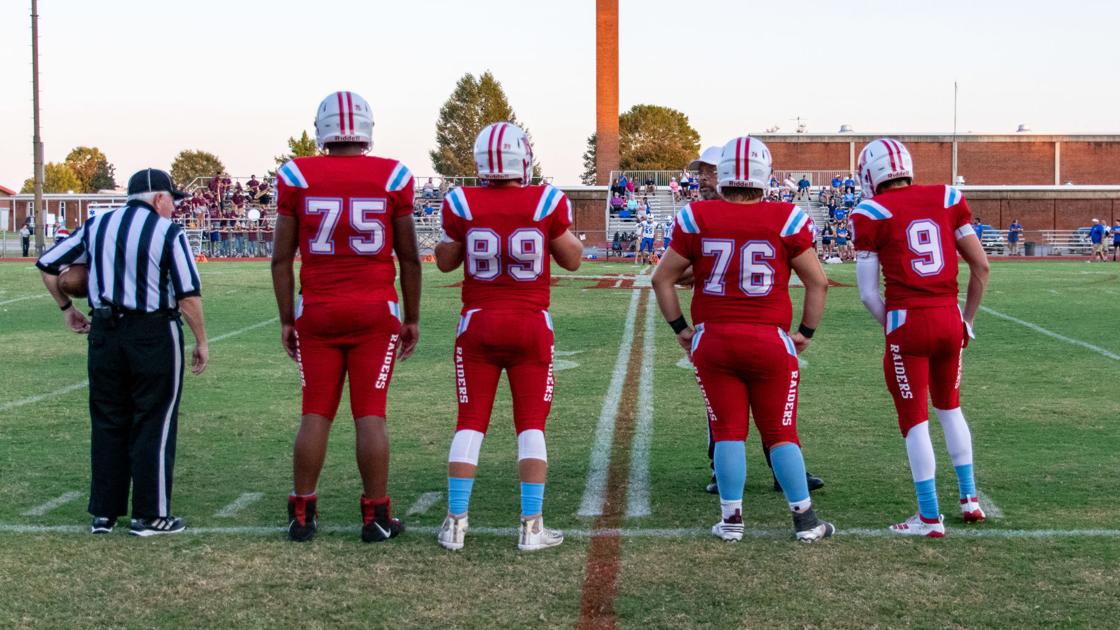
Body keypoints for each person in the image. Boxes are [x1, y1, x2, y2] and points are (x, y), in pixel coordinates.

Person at [652, 137, 834, 543]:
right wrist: (804, 333)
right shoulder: (786, 218)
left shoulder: (697, 216)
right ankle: (805, 521)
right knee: (781, 433)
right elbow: (817, 282)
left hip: (714, 341)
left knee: (727, 431)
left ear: (724, 175)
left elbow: (662, 278)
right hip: (770, 339)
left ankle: (731, 521)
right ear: (765, 175)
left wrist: (681, 329)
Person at [271, 91, 421, 543]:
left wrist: (286, 319)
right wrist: (412, 317)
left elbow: (281, 259)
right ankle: (376, 516)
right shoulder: (392, 175)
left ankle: (302, 513)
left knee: (315, 413)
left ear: (322, 130)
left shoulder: (297, 175)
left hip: (318, 309)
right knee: (370, 414)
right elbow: (410, 258)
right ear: (367, 128)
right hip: (375, 310)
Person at [434, 122, 583, 551]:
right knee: (531, 425)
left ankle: (455, 523)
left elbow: (444, 261)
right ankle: (531, 526)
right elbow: (573, 259)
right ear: (524, 160)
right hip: (530, 324)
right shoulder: (546, 201)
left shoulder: (461, 202)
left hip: (477, 324)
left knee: (470, 422)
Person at [36, 168, 209, 536]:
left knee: (108, 419)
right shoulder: (168, 232)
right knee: (154, 420)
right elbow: (188, 294)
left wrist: (67, 309)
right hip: (152, 332)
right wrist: (201, 340)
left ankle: (104, 513)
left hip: (104, 333)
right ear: (159, 198)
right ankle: (150, 515)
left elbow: (48, 265)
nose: (174, 208)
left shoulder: (97, 225)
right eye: (172, 200)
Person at [851, 138, 990, 538]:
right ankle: (969, 499)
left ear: (872, 174)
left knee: (915, 421)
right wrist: (967, 319)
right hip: (949, 317)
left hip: (907, 320)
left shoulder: (870, 212)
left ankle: (929, 516)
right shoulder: (947, 197)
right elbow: (981, 266)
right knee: (950, 408)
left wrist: (894, 326)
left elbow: (867, 293)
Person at [688, 145, 824, 494]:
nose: (703, 177)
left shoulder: (711, 213)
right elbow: (678, 268)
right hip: (727, 320)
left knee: (768, 411)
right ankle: (725, 473)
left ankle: (753, 491)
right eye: (701, 171)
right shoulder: (700, 212)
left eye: (709, 170)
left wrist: (716, 267)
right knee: (727, 415)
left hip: (743, 322)